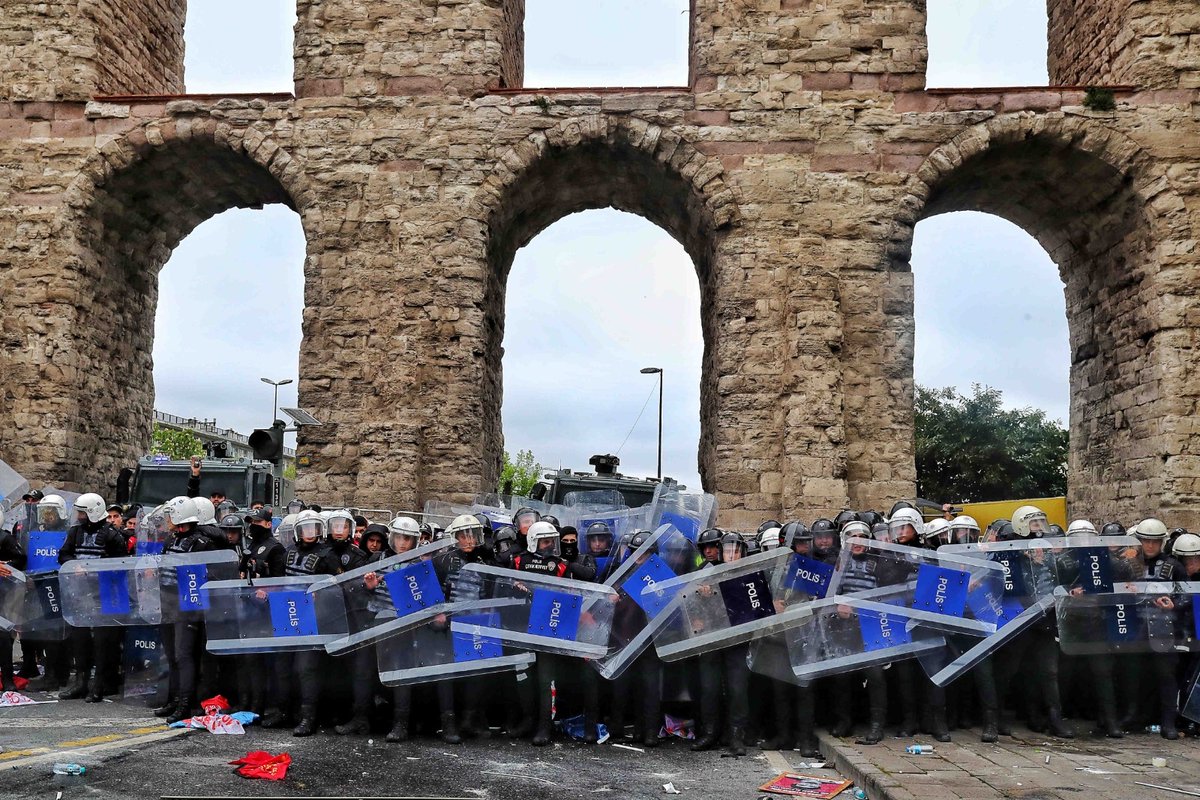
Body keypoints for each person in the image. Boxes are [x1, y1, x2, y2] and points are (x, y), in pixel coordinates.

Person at [57, 492, 126, 703]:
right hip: (80, 593)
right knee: (80, 640)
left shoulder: (112, 535)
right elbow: (63, 555)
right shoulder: (75, 532)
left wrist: (97, 571)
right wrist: (73, 564)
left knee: (104, 643)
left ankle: (101, 684)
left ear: (93, 513)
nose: (79, 516)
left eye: (82, 513)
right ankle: (80, 682)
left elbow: (121, 567)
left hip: (104, 595)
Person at [431, 514, 494, 743]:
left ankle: (469, 719)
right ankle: (448, 724)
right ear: (455, 537)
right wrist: (437, 615)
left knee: (476, 673)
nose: (469, 540)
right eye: (464, 535)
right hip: (448, 622)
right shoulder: (442, 559)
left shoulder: (486, 559)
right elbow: (432, 590)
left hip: (476, 623)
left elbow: (492, 588)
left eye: (472, 535)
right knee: (446, 673)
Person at [283, 510, 340, 737]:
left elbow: (339, 587)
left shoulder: (328, 555)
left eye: (313, 528)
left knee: (307, 669)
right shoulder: (288, 553)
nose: (309, 533)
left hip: (314, 619)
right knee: (287, 667)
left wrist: (322, 594)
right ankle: (289, 711)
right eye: (305, 529)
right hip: (287, 615)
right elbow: (277, 581)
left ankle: (309, 718)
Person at [0, 520, 27, 691]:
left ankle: (8, 676)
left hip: (3, 591)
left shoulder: (5, 538)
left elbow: (20, 558)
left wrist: (5, 566)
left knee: (3, 635)